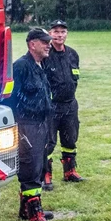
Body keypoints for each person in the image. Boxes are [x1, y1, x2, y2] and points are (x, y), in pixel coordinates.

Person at [7, 28, 58, 221]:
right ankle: (35, 216)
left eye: (49, 42)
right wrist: (15, 125)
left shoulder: (39, 65)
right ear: (32, 44)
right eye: (44, 42)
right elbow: (9, 97)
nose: (48, 45)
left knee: (39, 166)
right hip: (26, 123)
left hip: (41, 123)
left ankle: (26, 208)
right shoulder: (21, 66)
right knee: (30, 169)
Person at [42, 20, 86, 189]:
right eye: (56, 32)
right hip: (51, 106)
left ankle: (70, 172)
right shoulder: (45, 53)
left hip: (70, 104)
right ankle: (45, 175)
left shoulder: (72, 54)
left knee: (70, 138)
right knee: (48, 142)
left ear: (66, 34)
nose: (59, 35)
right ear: (50, 34)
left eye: (62, 32)